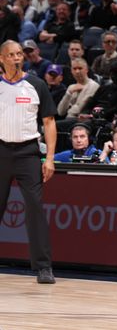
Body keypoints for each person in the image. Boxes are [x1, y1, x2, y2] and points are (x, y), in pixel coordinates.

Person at [0, 41, 57, 284]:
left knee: (35, 208)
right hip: (1, 150)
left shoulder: (36, 84)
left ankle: (43, 267)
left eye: (19, 54)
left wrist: (50, 159)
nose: (16, 58)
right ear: (1, 58)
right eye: (11, 55)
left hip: (28, 153)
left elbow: (49, 122)